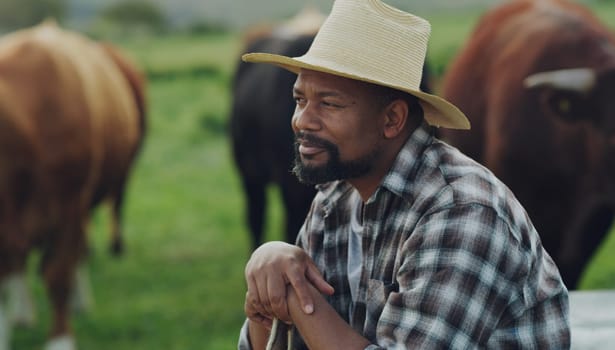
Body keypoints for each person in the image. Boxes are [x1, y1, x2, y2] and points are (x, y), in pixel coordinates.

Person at [238, 0, 570, 348]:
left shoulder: (462, 213)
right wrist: (267, 293)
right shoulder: (335, 198)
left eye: (330, 103)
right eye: (299, 99)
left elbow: (307, 317)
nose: (302, 121)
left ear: (392, 119)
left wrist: (295, 297)